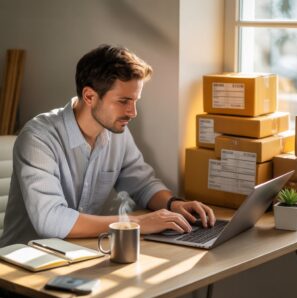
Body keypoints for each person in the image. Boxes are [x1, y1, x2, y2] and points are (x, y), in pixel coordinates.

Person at [0, 44, 215, 246]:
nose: (133, 112)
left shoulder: (116, 131)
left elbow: (142, 183)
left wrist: (174, 205)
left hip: (81, 255)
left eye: (135, 101)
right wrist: (137, 224)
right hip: (21, 269)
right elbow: (50, 219)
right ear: (90, 96)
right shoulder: (38, 138)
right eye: (123, 101)